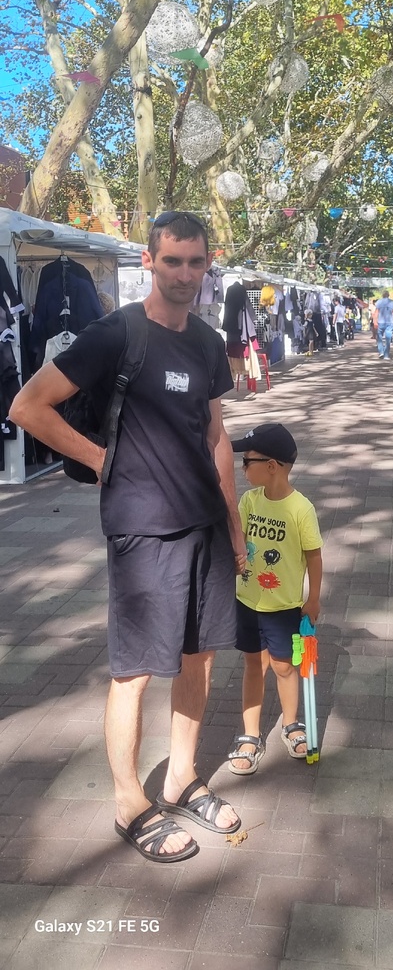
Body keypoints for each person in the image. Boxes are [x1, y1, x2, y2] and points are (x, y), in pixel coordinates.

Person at [9, 210, 247, 864]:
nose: (184, 274)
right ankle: (127, 802)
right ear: (148, 261)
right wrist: (102, 460)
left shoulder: (204, 340)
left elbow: (215, 436)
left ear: (206, 265)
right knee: (136, 671)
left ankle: (180, 775)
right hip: (143, 533)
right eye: (171, 261)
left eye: (195, 263)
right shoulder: (115, 333)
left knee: (200, 658)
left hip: (204, 524)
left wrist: (234, 524)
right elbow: (27, 407)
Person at [226, 423, 323, 775]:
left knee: (284, 666)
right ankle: (251, 735)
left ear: (272, 466)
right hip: (247, 602)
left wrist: (312, 600)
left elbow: (314, 556)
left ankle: (291, 723)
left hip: (283, 607)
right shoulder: (249, 501)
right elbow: (240, 539)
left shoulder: (301, 509)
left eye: (247, 460)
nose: (242, 467)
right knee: (254, 664)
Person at [375, 289, 393, 360]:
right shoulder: (392, 302)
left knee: (379, 337)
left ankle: (381, 351)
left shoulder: (379, 302)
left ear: (382, 295)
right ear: (388, 295)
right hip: (389, 322)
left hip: (380, 322)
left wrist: (375, 321)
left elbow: (376, 313)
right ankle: (386, 355)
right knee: (388, 339)